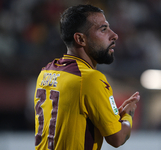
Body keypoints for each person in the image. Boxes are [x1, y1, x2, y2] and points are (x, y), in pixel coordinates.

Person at [34, 4, 140, 150]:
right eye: (103, 29)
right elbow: (117, 138)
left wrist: (114, 115)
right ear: (80, 39)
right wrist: (128, 116)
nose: (114, 35)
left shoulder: (45, 72)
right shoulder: (90, 78)